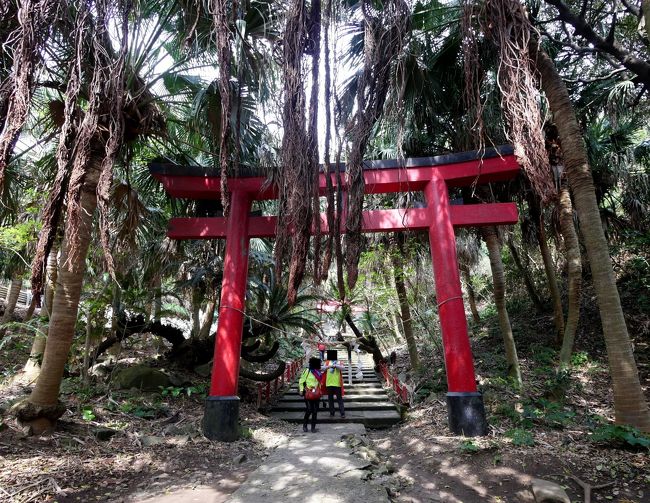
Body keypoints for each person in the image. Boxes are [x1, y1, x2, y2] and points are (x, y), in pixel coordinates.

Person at [298, 357, 325, 433]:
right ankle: (305, 425)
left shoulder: (318, 372)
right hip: (308, 392)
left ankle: (313, 427)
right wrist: (301, 390)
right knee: (309, 410)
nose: (320, 365)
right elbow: (301, 381)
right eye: (319, 364)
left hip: (316, 393)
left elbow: (319, 383)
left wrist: (321, 392)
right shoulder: (307, 370)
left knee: (315, 411)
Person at [324, 349, 345, 418]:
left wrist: (336, 366)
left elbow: (343, 368)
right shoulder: (327, 362)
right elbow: (322, 368)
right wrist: (328, 367)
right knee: (330, 399)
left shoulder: (339, 362)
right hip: (329, 383)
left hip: (337, 383)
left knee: (339, 399)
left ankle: (342, 413)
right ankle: (332, 413)